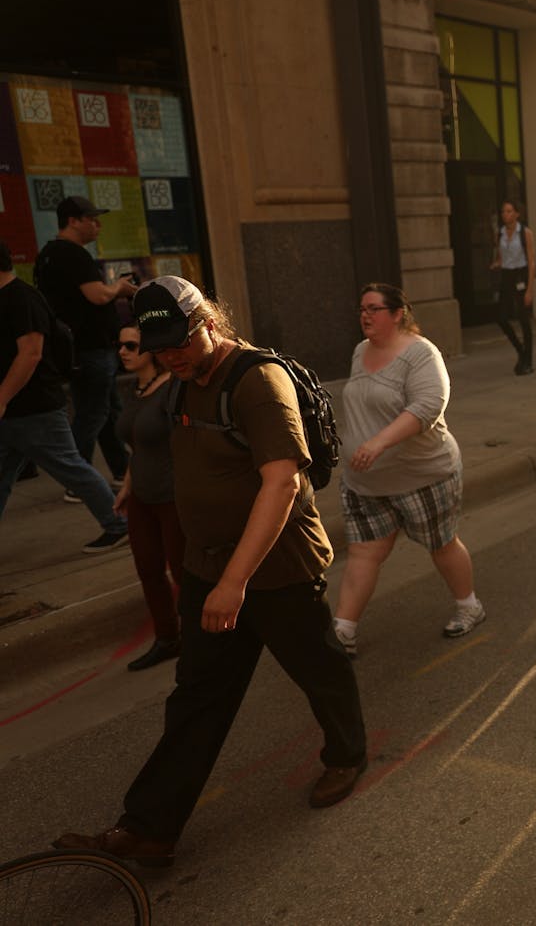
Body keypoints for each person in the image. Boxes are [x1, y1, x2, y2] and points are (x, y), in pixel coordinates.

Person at [54, 276, 367, 866]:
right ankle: (149, 829)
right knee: (198, 697)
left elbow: (283, 482)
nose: (170, 355)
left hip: (276, 571)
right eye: (160, 347)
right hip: (208, 567)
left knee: (318, 669)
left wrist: (234, 583)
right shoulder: (180, 383)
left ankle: (347, 755)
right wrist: (132, 489)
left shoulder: (256, 381)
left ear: (211, 323)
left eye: (180, 340)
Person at [331, 283, 485, 656]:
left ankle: (469, 607)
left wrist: (378, 442)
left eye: (374, 309)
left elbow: (429, 406)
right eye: (362, 309)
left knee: (442, 545)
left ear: (397, 313)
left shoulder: (420, 354)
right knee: (365, 553)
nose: (365, 315)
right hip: (365, 482)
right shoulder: (360, 351)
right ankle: (343, 632)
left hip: (422, 476)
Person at [0, 239, 129, 551]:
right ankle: (118, 522)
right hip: (14, 411)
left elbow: (30, 354)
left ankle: (118, 523)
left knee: (73, 469)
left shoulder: (21, 299)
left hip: (36, 408)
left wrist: (1, 397)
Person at [34, 196, 139, 495]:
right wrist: (119, 287)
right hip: (90, 349)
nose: (98, 225)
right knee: (93, 414)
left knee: (107, 411)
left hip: (79, 349)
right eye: (92, 219)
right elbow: (98, 296)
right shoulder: (74, 255)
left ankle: (121, 470)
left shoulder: (48, 255)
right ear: (73, 221)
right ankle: (78, 483)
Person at [114, 323, 184, 670]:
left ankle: (206, 638)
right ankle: (168, 638)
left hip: (172, 494)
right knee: (148, 569)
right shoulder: (136, 390)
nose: (123, 351)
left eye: (131, 345)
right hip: (142, 495)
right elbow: (137, 447)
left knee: (184, 572)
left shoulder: (173, 389)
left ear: (152, 350)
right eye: (121, 346)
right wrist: (127, 485)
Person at [490, 200, 536, 376]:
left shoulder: (525, 233)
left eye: (509, 211)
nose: (506, 215)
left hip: (521, 275)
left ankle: (528, 361)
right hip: (506, 275)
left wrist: (530, 289)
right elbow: (502, 257)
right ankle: (521, 351)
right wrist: (496, 264)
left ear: (517, 214)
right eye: (503, 212)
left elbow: (532, 261)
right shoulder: (500, 233)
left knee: (523, 319)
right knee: (501, 317)